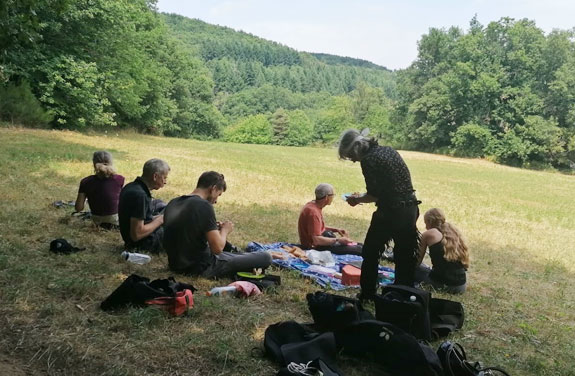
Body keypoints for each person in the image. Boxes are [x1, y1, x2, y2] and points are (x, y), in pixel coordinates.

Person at [338, 128, 421, 300]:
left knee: (370, 252)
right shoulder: (389, 150)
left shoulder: (368, 160)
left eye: (350, 156)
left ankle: (368, 293)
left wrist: (356, 200)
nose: (353, 160)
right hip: (411, 208)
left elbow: (374, 195)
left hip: (391, 211)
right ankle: (402, 295)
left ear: (355, 149)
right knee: (405, 255)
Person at [163, 171, 272, 278]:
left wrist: (212, 228)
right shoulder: (204, 206)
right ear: (213, 188)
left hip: (176, 265)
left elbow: (185, 230)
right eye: (218, 195)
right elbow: (217, 248)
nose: (216, 201)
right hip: (201, 267)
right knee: (265, 257)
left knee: (235, 255)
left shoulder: (173, 202)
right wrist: (225, 230)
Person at [118, 158, 170, 253]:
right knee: (179, 226)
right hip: (144, 244)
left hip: (130, 240)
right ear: (155, 176)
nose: (165, 182)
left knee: (166, 208)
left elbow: (139, 220)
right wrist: (160, 220)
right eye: (164, 178)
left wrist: (155, 218)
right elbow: (136, 234)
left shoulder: (130, 186)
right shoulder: (140, 196)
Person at [298, 183, 362, 256]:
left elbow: (315, 228)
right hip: (315, 248)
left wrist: (336, 229)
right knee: (360, 250)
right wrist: (338, 240)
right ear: (326, 198)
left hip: (320, 242)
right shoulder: (313, 213)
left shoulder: (312, 205)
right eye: (332, 195)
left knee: (360, 245)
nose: (333, 197)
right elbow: (316, 240)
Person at [415, 208, 469, 294]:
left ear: (429, 221)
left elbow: (417, 262)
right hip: (460, 286)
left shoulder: (429, 234)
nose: (425, 227)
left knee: (414, 270)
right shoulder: (453, 231)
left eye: (426, 223)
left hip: (442, 284)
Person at [75, 151, 125, 229]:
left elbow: (78, 208)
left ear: (94, 164)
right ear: (111, 163)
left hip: (96, 221)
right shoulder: (119, 179)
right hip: (115, 222)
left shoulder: (85, 182)